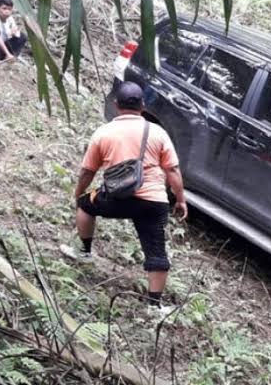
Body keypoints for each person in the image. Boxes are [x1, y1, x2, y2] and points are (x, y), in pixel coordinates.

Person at [70, 81, 188, 312]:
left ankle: (85, 252)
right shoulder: (157, 132)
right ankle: (154, 305)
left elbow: (87, 171)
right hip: (153, 202)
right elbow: (172, 170)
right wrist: (181, 199)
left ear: (116, 105)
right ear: (143, 106)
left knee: (86, 205)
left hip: (117, 199)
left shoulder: (104, 132)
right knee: (156, 249)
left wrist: (78, 193)